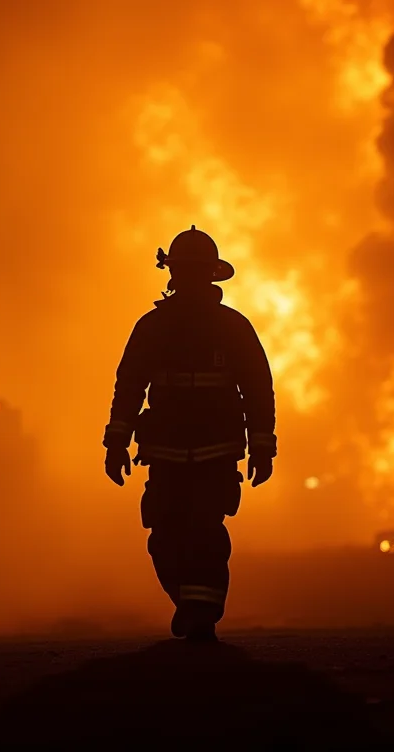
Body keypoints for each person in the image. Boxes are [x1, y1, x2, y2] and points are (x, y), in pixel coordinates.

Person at [103, 225, 277, 642]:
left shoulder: (233, 328)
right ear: (173, 275)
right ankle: (190, 604)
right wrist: (116, 442)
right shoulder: (152, 328)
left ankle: (202, 613)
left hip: (216, 452)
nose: (191, 281)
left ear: (210, 276)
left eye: (198, 273)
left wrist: (262, 446)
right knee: (164, 533)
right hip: (166, 452)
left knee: (205, 531)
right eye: (185, 272)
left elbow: (258, 389)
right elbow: (129, 387)